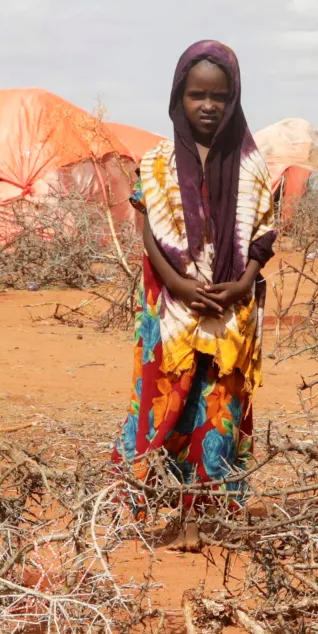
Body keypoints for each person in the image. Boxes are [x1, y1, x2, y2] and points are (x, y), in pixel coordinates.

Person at [115, 40, 278, 539]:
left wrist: (243, 284)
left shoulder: (252, 164)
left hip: (232, 311)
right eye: (197, 96)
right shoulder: (158, 161)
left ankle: (205, 518)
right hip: (173, 310)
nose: (209, 106)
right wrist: (179, 284)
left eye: (220, 97)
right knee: (170, 404)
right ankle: (145, 511)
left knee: (220, 411)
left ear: (235, 99)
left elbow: (262, 237)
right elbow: (148, 232)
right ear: (177, 98)